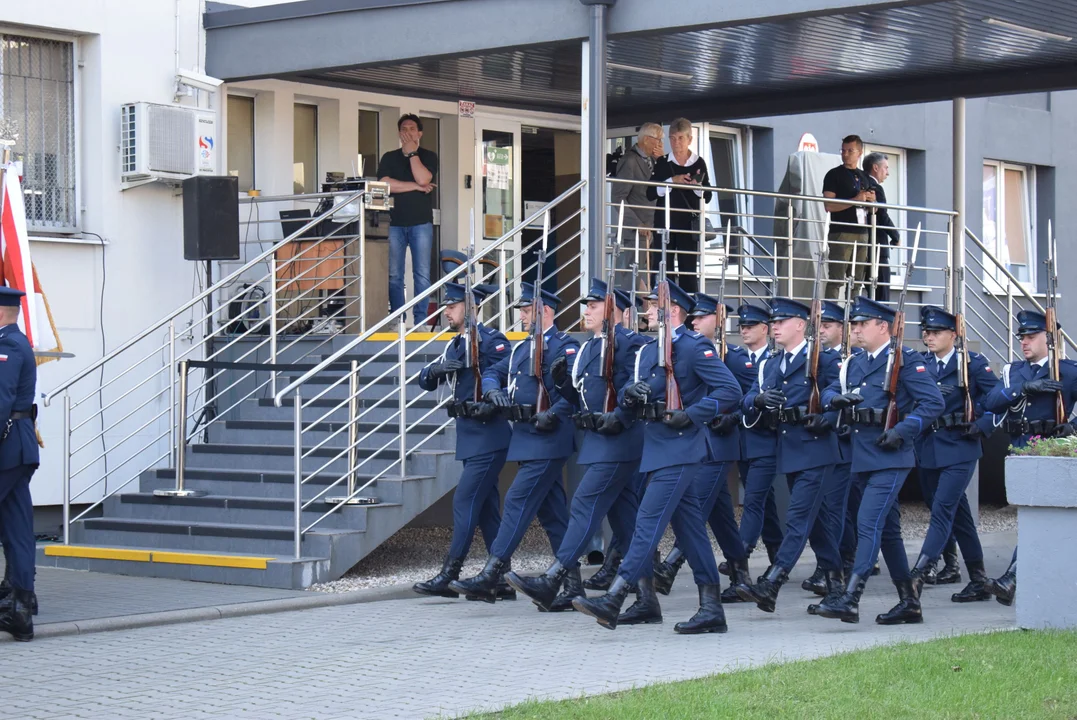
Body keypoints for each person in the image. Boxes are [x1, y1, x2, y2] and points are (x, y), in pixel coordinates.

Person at [573, 280, 742, 634]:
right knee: (690, 529)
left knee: (647, 523)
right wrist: (626, 407)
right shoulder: (649, 351)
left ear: (674, 311)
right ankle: (711, 608)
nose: (646, 312)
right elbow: (643, 396)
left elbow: (730, 390)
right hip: (655, 448)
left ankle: (615, 598)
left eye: (653, 307)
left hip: (681, 448)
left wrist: (694, 414)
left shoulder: (695, 348)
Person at [506, 279, 648, 614]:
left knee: (584, 504)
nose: (587, 311)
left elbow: (634, 386)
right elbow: (580, 395)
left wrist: (622, 413)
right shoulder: (588, 347)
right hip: (597, 441)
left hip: (620, 442)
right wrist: (562, 385)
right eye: (587, 305)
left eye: (595, 306)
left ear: (616, 311)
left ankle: (554, 577)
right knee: (629, 525)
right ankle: (647, 598)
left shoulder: (631, 344)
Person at [815, 296, 944, 625]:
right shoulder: (853, 362)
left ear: (883, 327)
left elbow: (933, 403)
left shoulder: (904, 360)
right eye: (853, 324)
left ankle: (851, 597)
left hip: (891, 455)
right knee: (887, 532)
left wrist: (903, 430)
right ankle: (909, 603)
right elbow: (827, 390)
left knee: (867, 523)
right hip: (861, 455)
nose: (855, 330)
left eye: (861, 324)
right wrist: (836, 399)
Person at [449, 284, 578, 602]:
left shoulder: (564, 345)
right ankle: (573, 586)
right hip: (524, 438)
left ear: (544, 311)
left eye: (525, 310)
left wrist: (556, 413)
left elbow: (572, 390)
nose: (519, 315)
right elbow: (494, 371)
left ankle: (491, 573)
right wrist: (492, 389)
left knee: (518, 500)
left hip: (548, 438)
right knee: (554, 516)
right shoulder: (522, 349)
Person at [735, 298, 843, 613]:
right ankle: (837, 590)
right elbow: (745, 399)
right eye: (774, 322)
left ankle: (773, 580)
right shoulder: (769, 363)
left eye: (782, 322)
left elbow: (840, 389)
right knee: (819, 524)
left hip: (817, 448)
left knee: (796, 518)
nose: (775, 327)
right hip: (789, 451)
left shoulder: (820, 358)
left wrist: (828, 416)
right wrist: (756, 399)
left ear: (800, 324)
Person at [892, 306, 998, 612]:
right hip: (928, 447)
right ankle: (978, 579)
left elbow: (996, 400)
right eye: (926, 332)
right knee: (959, 516)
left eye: (936, 332)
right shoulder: (919, 364)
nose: (929, 337)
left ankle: (919, 573)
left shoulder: (972, 364)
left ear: (954, 334)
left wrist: (981, 424)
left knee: (942, 509)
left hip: (961, 445)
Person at [413, 283, 511, 599]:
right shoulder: (454, 346)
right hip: (469, 437)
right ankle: (502, 580)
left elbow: (503, 371)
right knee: (486, 511)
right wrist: (436, 369)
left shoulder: (493, 341)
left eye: (452, 307)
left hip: (489, 436)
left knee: (464, 501)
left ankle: (449, 573)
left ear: (469, 308)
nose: (446, 312)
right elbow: (425, 381)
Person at [652, 294, 750, 604]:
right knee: (719, 513)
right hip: (697, 440)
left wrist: (732, 416)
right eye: (692, 317)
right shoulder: (681, 351)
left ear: (719, 320)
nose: (694, 321)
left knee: (695, 508)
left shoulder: (733, 356)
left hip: (718, 443)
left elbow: (746, 394)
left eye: (702, 317)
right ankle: (741, 575)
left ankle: (671, 565)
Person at [980, 309, 1077, 607]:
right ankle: (1015, 578)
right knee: (1031, 518)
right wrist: (1022, 388)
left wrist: (1072, 427)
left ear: (1050, 340)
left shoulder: (1069, 371)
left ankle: (1012, 577)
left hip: (1054, 450)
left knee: (1041, 519)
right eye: (1021, 337)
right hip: (1021, 450)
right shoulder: (1014, 371)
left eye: (1031, 337)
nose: (1024, 342)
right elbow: (991, 402)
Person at [728, 304, 785, 572]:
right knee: (765, 502)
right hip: (744, 438)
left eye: (751, 326)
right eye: (742, 326)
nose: (745, 330)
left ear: (765, 328)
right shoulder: (736, 357)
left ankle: (740, 557)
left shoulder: (777, 359)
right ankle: (778, 559)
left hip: (766, 438)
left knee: (753, 499)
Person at [0, 287, 40, 642]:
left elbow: (1, 400)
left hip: (7, 448)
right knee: (16, 529)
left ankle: (20, 605)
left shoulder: (8, 345)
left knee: (17, 529)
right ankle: (20, 610)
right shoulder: (16, 340)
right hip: (16, 448)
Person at [377, 114, 439, 327]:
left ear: (420, 133)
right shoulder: (388, 157)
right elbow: (385, 184)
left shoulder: (429, 156)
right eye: (404, 129)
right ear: (398, 132)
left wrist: (412, 152)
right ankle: (398, 319)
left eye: (412, 129)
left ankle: (420, 321)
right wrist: (414, 186)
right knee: (394, 275)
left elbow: (423, 178)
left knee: (421, 274)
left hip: (421, 222)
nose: (408, 132)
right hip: (394, 223)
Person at [646, 118, 712, 293]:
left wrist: (696, 186)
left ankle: (688, 315)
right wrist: (672, 181)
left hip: (688, 225)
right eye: (673, 138)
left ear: (690, 139)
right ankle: (662, 309)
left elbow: (708, 195)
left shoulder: (699, 162)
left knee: (688, 270)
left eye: (681, 138)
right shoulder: (663, 163)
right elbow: (650, 193)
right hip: (664, 223)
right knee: (662, 267)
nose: (676, 143)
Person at [610, 123, 664, 291]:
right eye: (658, 140)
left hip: (651, 230)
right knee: (633, 277)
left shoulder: (652, 161)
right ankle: (631, 314)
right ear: (647, 140)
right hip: (636, 231)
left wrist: (661, 160)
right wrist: (636, 223)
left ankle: (643, 316)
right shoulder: (630, 160)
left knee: (646, 277)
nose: (660, 145)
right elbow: (618, 197)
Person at [822, 135, 874, 299]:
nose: (845, 154)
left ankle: (853, 317)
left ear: (860, 152)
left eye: (850, 151)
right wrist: (854, 201)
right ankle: (831, 318)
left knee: (857, 280)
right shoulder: (834, 174)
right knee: (836, 278)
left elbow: (874, 210)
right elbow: (829, 205)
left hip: (862, 232)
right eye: (843, 150)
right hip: (841, 231)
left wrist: (872, 201)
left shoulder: (864, 177)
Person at [862, 152, 901, 302]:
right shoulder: (875, 188)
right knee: (882, 294)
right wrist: (896, 236)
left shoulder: (861, 184)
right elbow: (882, 216)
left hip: (863, 246)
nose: (888, 173)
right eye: (886, 168)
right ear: (875, 168)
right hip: (877, 246)